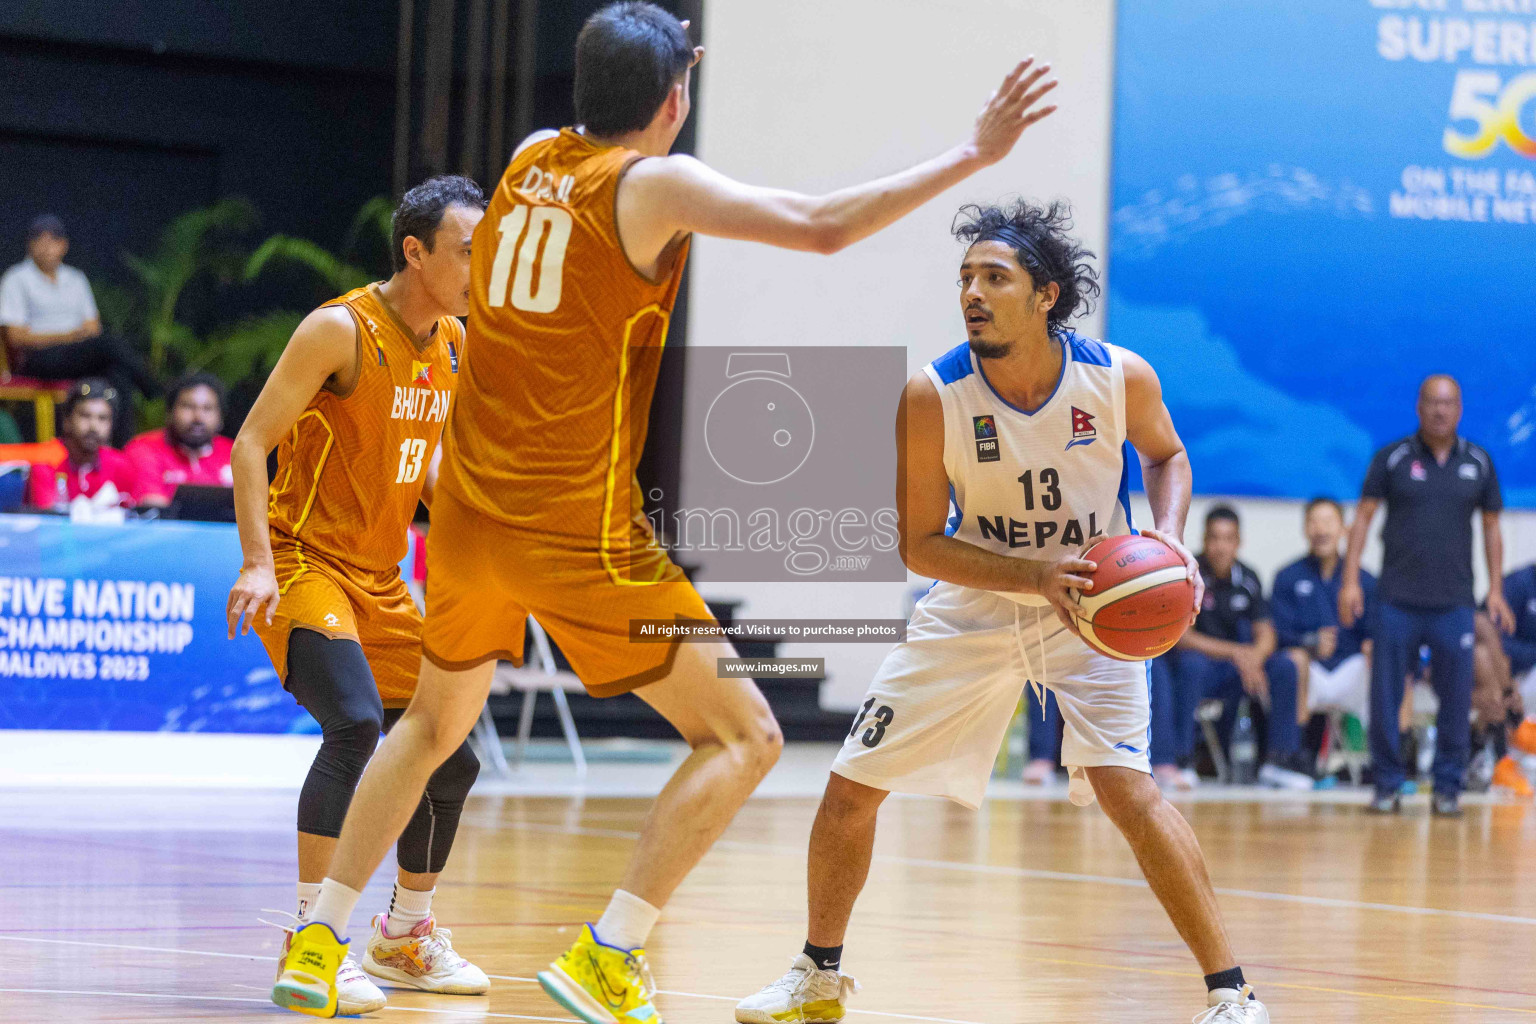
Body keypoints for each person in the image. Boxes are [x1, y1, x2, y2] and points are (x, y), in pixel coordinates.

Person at [279, 4, 1061, 1021]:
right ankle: (611, 950)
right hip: (575, 527)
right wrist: (973, 151)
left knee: (428, 724)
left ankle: (317, 939)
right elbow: (823, 227)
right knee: (747, 736)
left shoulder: (524, 159)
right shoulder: (651, 185)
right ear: (676, 99)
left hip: (471, 512)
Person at [736, 201, 1268, 1024]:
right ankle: (818, 975)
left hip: (1093, 607)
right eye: (965, 279)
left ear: (1046, 295)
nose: (972, 293)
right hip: (976, 602)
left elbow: (1168, 456)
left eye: (995, 278)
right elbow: (917, 544)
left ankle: (1232, 993)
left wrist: (1165, 541)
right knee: (851, 788)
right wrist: (1031, 574)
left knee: (1130, 792)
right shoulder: (930, 395)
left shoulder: (1119, 376)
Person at [226, 177, 489, 1017]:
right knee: (357, 723)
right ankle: (311, 938)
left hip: (382, 582)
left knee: (453, 751)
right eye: (467, 251)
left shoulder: (454, 343)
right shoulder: (337, 330)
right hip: (305, 564)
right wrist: (258, 562)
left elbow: (427, 474)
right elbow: (250, 443)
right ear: (415, 251)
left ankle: (406, 934)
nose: (480, 266)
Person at [1340, 375, 1511, 817]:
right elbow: (1362, 519)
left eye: (1449, 403)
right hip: (1396, 600)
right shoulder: (1392, 457)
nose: (1440, 410)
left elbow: (1492, 527)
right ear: (1418, 407)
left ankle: (1448, 786)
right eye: (1432, 402)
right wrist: (1350, 580)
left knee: (1455, 697)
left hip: (1454, 603)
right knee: (1386, 696)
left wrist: (1495, 588)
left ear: (1459, 409)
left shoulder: (1479, 462)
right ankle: (1388, 784)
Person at [1153, 507, 1309, 790]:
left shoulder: (1248, 578)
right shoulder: (1189, 574)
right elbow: (1184, 637)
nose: (1220, 546)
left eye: (1228, 539)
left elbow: (1266, 633)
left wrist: (1255, 657)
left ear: (1238, 542)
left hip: (1238, 670)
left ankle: (1279, 760)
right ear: (1204, 539)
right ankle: (1184, 758)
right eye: (1214, 538)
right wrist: (1239, 653)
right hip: (1204, 667)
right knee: (1190, 664)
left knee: (1285, 665)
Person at [0, 215, 157, 444]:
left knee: (118, 375)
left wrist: (76, 338)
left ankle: (120, 451)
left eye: (52, 240)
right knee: (108, 344)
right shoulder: (16, 279)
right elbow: (15, 336)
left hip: (75, 356)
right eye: (39, 240)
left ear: (63, 246)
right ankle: (154, 388)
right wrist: (69, 336)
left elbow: (93, 326)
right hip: (36, 358)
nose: (46, 247)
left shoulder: (75, 278)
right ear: (30, 245)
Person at [1270, 497, 1375, 757]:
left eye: (1328, 522)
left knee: (1386, 659)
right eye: (1313, 522)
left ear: (1343, 529)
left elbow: (1376, 629)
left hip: (1352, 670)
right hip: (1311, 672)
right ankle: (1294, 756)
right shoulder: (1287, 577)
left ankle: (1388, 763)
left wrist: (1372, 644)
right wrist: (1309, 642)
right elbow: (1277, 633)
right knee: (1292, 661)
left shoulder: (1364, 580)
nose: (1321, 529)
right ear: (1305, 529)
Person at [1470, 563, 1536, 797]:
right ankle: (1496, 753)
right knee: (1486, 659)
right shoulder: (1518, 585)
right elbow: (1501, 642)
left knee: (1490, 665)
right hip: (1470, 674)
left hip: (1501, 679)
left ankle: (1494, 755)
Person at [26, 378, 139, 510]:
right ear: (67, 421)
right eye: (85, 415)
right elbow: (49, 523)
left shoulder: (122, 466)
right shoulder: (47, 462)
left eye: (102, 418)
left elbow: (136, 520)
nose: (94, 426)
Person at [124, 372, 234, 507]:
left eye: (207, 408)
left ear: (221, 418)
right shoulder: (144, 449)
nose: (198, 417)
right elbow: (153, 506)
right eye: (188, 406)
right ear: (169, 413)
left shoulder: (235, 453)